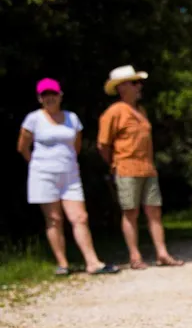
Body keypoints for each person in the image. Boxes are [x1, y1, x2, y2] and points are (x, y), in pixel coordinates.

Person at [16, 78, 119, 276]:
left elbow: (76, 146)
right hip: (43, 175)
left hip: (69, 175)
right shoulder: (33, 119)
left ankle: (93, 262)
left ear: (60, 95)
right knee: (54, 219)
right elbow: (22, 147)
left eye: (53, 94)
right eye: (45, 95)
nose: (50, 98)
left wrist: (67, 162)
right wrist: (37, 165)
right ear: (39, 98)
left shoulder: (72, 119)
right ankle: (63, 263)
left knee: (80, 217)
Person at [97, 65, 183, 269]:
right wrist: (114, 163)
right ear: (122, 87)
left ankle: (162, 253)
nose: (139, 87)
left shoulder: (141, 111)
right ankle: (135, 257)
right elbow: (103, 144)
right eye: (135, 83)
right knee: (130, 212)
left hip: (147, 168)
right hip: (126, 168)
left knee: (154, 212)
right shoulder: (114, 112)